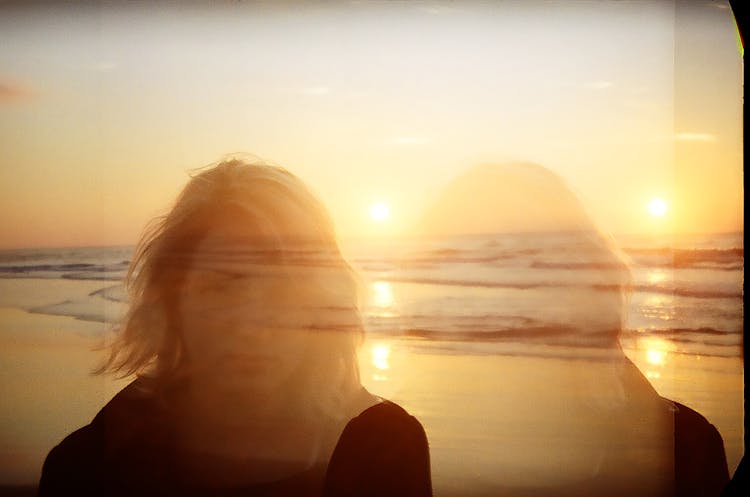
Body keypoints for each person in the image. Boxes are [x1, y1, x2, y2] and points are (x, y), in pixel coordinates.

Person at [37, 159, 432, 497]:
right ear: (171, 299)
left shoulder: (382, 448)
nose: (252, 325)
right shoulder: (86, 465)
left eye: (285, 288)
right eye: (221, 287)